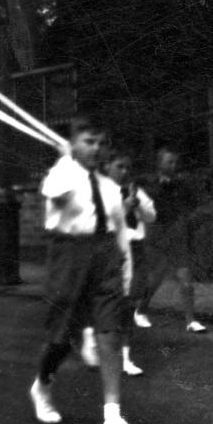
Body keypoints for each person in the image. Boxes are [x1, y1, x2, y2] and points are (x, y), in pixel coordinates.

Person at [28, 115, 142, 424]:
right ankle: (42, 384)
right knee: (61, 338)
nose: (96, 148)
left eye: (101, 143)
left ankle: (112, 415)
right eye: (88, 142)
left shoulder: (110, 187)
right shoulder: (61, 174)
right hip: (69, 257)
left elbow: (119, 233)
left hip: (105, 259)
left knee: (110, 333)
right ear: (74, 144)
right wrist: (66, 158)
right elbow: (53, 191)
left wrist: (127, 272)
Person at [79, 147, 156, 377]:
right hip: (110, 250)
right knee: (107, 301)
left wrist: (137, 204)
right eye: (119, 167)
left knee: (130, 303)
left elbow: (151, 216)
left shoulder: (134, 191)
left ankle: (125, 357)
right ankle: (91, 338)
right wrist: (123, 208)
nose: (124, 172)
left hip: (135, 249)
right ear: (107, 168)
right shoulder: (100, 193)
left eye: (127, 168)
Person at [135, 144, 207, 333]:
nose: (174, 165)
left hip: (177, 234)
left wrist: (186, 221)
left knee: (186, 280)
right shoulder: (148, 184)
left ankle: (191, 321)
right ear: (159, 164)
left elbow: (193, 205)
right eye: (169, 162)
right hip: (157, 235)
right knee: (154, 279)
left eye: (176, 162)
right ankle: (140, 310)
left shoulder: (183, 184)